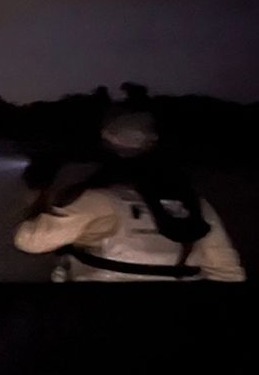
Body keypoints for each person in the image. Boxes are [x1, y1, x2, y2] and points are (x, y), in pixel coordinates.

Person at [15, 111, 245, 282]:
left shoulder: (97, 200)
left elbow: (30, 241)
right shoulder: (195, 202)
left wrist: (38, 194)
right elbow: (227, 271)